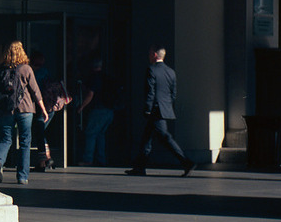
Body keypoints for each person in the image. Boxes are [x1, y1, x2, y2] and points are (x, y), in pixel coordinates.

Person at [125, 45, 196, 177]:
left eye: (150, 53)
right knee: (146, 139)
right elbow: (173, 94)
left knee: (165, 137)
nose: (149, 55)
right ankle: (140, 167)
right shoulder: (171, 72)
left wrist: (147, 109)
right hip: (164, 108)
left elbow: (150, 92)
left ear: (155, 55)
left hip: (155, 110)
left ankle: (186, 162)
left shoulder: (151, 69)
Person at [0, 41, 49, 185]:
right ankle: (22, 176)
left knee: (5, 139)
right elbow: (35, 91)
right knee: (25, 142)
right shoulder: (26, 69)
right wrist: (43, 109)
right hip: (25, 110)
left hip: (5, 109)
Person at [77, 56, 117, 166]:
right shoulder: (107, 77)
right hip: (109, 110)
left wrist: (82, 106)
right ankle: (101, 159)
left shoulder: (94, 78)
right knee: (100, 135)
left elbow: (90, 94)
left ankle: (88, 159)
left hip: (99, 110)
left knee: (91, 134)